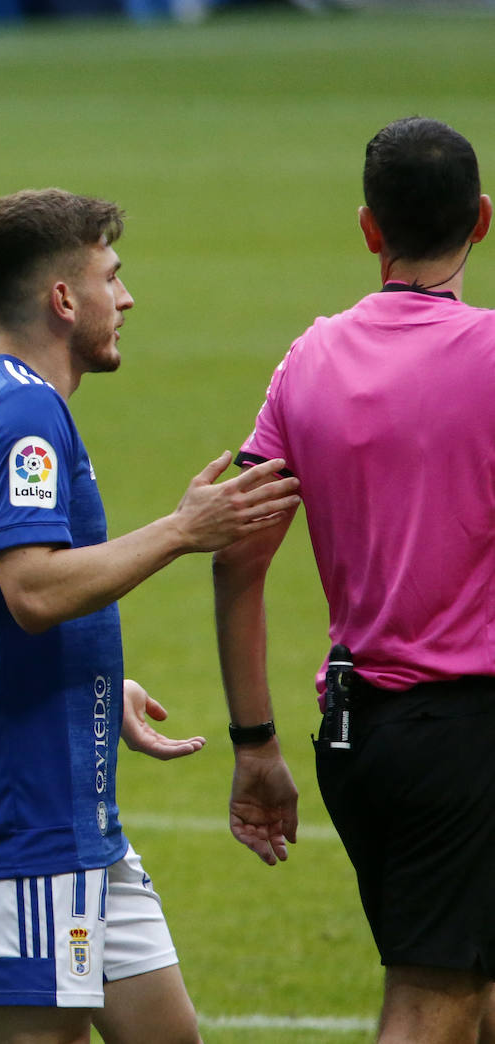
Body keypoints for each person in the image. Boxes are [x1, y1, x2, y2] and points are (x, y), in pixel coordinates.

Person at [0, 188, 301, 1044]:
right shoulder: (23, 416)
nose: (125, 299)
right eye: (111, 278)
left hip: (74, 812)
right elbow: (33, 591)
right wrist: (184, 528)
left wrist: (90, 679)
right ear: (63, 299)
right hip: (25, 817)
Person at [213, 115, 495, 1043]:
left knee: (475, 991)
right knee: (432, 999)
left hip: (357, 732)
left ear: (369, 227)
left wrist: (255, 742)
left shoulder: (310, 358)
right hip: (464, 734)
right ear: (482, 221)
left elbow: (237, 552)